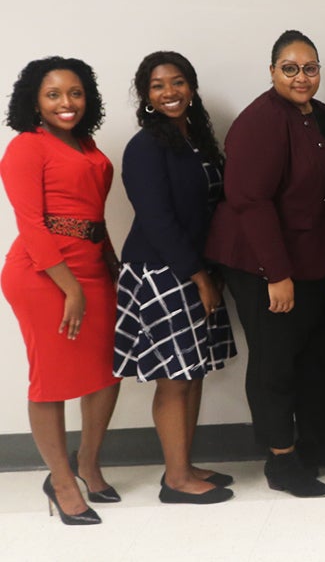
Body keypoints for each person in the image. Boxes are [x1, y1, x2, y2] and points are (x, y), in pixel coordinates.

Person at [206, 30, 325, 498]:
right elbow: (250, 203)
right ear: (272, 72)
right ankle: (281, 461)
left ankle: (311, 447)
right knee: (274, 364)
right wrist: (277, 275)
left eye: (309, 68)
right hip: (262, 264)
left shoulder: (320, 115)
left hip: (312, 260)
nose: (301, 76)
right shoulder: (260, 121)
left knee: (312, 359)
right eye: (290, 68)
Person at [1, 57, 121, 525]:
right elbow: (31, 225)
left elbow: (94, 216)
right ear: (34, 100)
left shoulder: (85, 143)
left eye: (74, 93)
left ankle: (88, 462)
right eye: (53, 94)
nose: (66, 103)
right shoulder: (26, 148)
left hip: (92, 267)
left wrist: (110, 262)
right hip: (42, 274)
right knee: (49, 380)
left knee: (109, 370)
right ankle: (61, 481)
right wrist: (69, 287)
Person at [113, 51, 236, 504]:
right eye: (159, 86)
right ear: (146, 96)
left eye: (178, 82)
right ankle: (176, 479)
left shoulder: (197, 141)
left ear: (191, 86)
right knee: (175, 377)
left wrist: (213, 270)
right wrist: (198, 277)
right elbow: (158, 219)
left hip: (197, 265)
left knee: (193, 369)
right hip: (163, 271)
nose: (170, 92)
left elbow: (209, 210)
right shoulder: (146, 147)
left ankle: (183, 463)